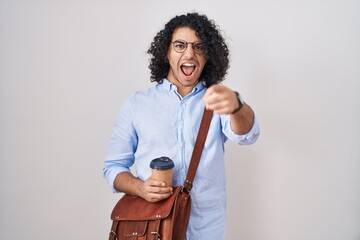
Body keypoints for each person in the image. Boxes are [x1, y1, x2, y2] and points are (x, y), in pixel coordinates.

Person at [103, 12, 260, 239]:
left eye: (199, 47)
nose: (190, 53)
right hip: (152, 229)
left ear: (208, 55)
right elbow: (113, 167)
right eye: (180, 45)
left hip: (206, 230)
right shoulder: (137, 104)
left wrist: (237, 105)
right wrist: (140, 188)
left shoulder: (216, 98)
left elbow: (248, 135)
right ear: (166, 52)